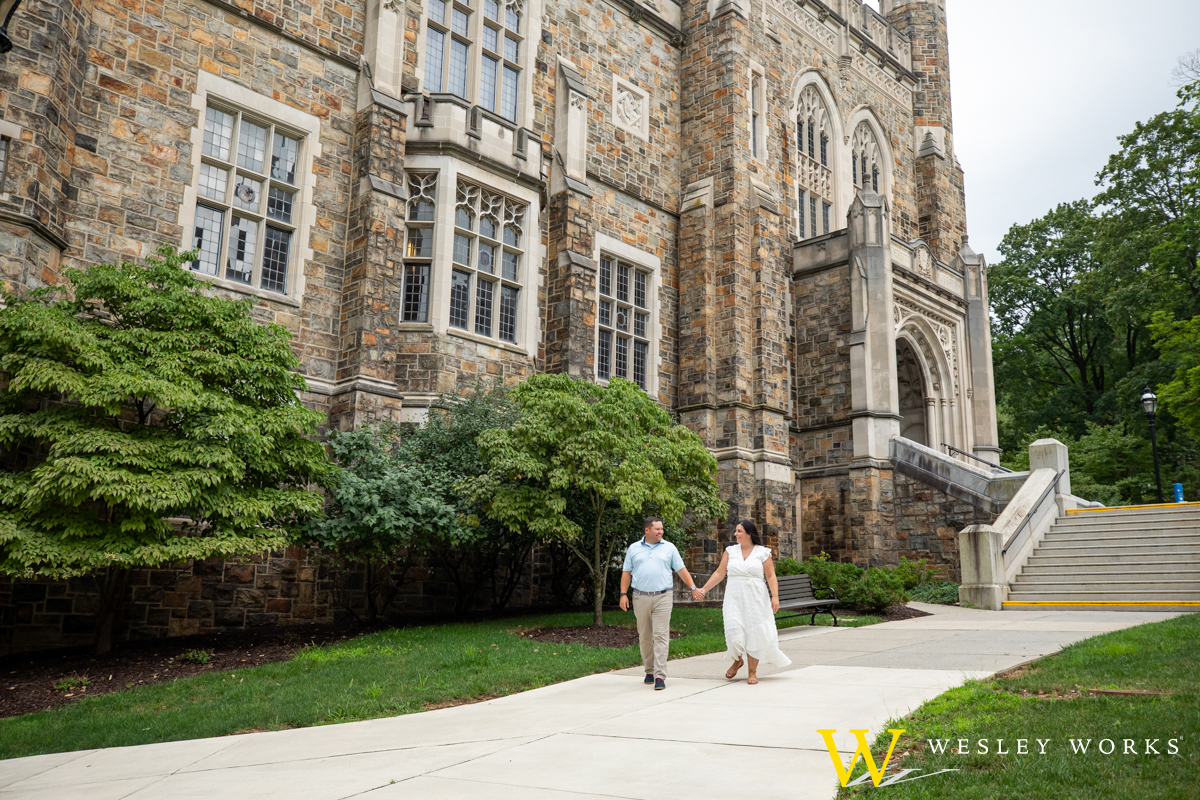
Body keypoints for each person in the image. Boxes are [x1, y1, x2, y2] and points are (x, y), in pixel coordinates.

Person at [696, 519, 791, 684]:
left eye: (739, 531)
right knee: (734, 630)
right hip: (734, 597)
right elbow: (719, 573)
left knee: (754, 632)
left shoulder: (763, 552)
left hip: (756, 597)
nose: (735, 534)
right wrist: (704, 589)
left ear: (749, 533)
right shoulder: (730, 551)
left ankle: (752, 672)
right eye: (736, 531)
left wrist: (775, 596)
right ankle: (737, 660)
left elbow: (770, 576)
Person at [619, 517, 704, 690]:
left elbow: (681, 570)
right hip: (640, 597)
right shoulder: (634, 548)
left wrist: (693, 588)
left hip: (663, 597)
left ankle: (660, 676)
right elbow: (626, 572)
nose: (661, 532)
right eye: (657, 529)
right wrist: (623, 594)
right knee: (644, 636)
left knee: (661, 635)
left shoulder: (669, 548)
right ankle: (649, 671)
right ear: (647, 530)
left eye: (662, 529)